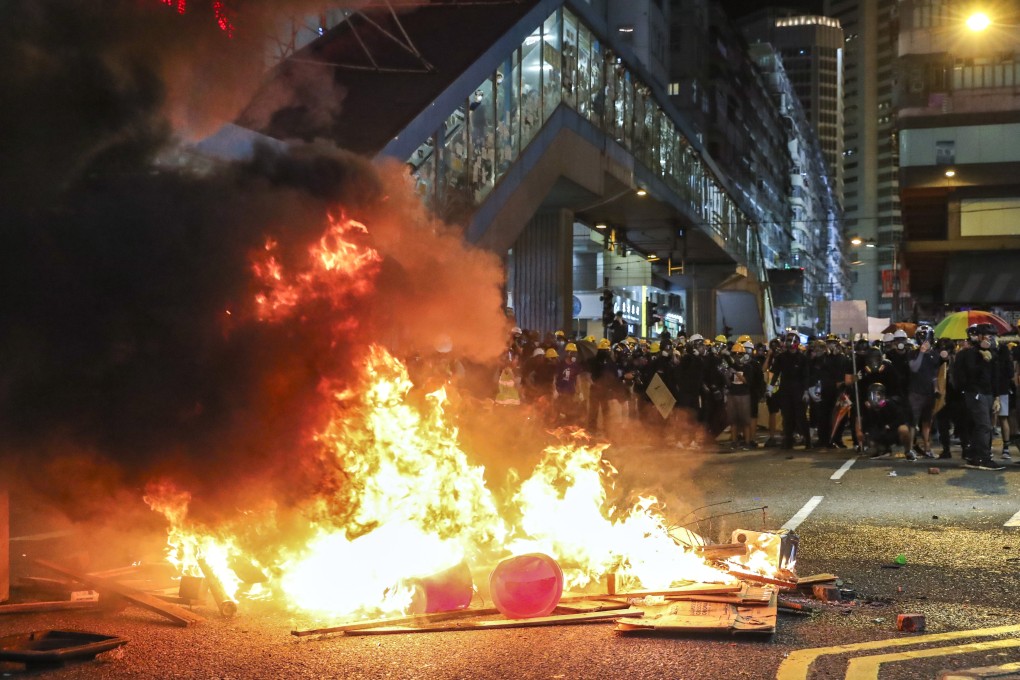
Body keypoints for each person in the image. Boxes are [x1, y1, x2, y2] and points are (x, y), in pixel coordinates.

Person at [953, 323, 1005, 470]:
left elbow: (995, 376)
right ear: (980, 336)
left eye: (993, 336)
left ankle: (975, 457)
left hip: (988, 393)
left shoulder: (994, 353)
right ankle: (985, 458)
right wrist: (983, 359)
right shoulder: (971, 353)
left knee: (980, 426)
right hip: (975, 392)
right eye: (988, 336)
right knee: (984, 425)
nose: (991, 338)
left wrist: (996, 397)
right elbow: (970, 374)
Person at [769, 331, 811, 450]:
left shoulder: (802, 358)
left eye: (793, 340)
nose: (790, 343)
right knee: (787, 417)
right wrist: (770, 387)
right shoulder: (781, 357)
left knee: (801, 417)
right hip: (785, 390)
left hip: (798, 390)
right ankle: (788, 441)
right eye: (788, 340)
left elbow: (806, 376)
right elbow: (776, 373)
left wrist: (806, 391)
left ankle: (807, 441)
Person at [906, 324, 940, 459]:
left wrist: (936, 387)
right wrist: (921, 352)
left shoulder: (934, 355)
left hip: (929, 392)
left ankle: (927, 448)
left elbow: (935, 374)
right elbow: (914, 368)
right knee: (912, 422)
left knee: (927, 422)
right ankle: (909, 449)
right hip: (915, 392)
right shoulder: (912, 353)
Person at [863, 383, 912, 459]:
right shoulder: (869, 409)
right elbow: (867, 426)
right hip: (880, 433)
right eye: (873, 395)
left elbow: (901, 418)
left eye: (878, 394)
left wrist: (890, 426)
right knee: (872, 449)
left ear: (883, 395)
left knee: (904, 429)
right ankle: (884, 449)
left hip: (893, 431)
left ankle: (908, 451)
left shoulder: (891, 404)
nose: (876, 397)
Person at [723, 343, 755, 450]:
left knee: (746, 421)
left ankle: (747, 442)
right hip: (733, 394)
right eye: (735, 354)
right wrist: (726, 375)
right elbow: (728, 383)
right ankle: (734, 442)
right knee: (733, 421)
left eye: (740, 354)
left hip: (744, 395)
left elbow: (747, 381)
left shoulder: (748, 367)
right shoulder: (732, 367)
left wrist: (736, 373)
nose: (737, 357)